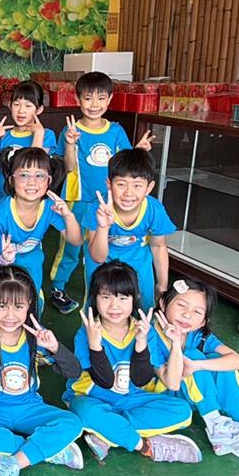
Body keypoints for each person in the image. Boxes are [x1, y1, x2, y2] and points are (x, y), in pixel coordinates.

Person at [0, 266, 85, 476]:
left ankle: (12, 463)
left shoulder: (36, 337)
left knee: (72, 423)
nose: (10, 315)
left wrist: (54, 347)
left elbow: (74, 371)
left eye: (18, 306)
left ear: (29, 304)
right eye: (2, 306)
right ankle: (47, 449)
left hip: (30, 407)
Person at [65, 261, 202, 464]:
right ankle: (146, 447)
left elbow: (141, 379)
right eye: (106, 297)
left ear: (135, 298)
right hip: (93, 398)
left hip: (131, 399)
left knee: (182, 411)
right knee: (84, 411)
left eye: (123, 298)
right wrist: (95, 344)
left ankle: (107, 433)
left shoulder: (145, 331)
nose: (114, 306)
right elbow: (104, 380)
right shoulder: (86, 333)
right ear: (95, 298)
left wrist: (141, 343)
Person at [153, 278, 239, 476]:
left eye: (197, 312)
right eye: (181, 305)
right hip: (162, 396)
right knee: (192, 355)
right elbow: (167, 381)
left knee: (220, 361)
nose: (187, 315)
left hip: (190, 393)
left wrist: (198, 365)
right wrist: (180, 350)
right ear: (163, 303)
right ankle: (216, 423)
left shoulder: (197, 335)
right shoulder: (151, 334)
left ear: (204, 321)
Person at [49, 72, 153, 314]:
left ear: (110, 100)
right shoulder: (70, 131)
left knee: (100, 247)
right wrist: (71, 143)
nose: (94, 104)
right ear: (77, 99)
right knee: (71, 247)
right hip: (78, 198)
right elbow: (69, 167)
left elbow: (125, 164)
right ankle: (57, 287)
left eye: (100, 98)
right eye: (88, 98)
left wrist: (138, 150)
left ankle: (103, 292)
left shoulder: (115, 130)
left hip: (109, 203)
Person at [0, 147, 82, 315]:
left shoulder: (49, 207)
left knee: (33, 303)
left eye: (39, 175)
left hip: (33, 261)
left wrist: (68, 215)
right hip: (6, 264)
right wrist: (3, 263)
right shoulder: (1, 215)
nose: (32, 182)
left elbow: (75, 240)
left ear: (49, 181)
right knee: (10, 303)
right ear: (11, 180)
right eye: (24, 175)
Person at [86, 148, 176, 310]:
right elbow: (98, 257)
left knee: (145, 307)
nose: (129, 193)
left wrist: (162, 285)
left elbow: (158, 246)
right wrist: (103, 226)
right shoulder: (97, 208)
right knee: (98, 305)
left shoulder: (154, 210)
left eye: (137, 185)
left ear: (149, 187)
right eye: (121, 184)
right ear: (109, 184)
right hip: (103, 258)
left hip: (138, 259)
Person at [0, 79, 55, 214]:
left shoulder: (46, 135)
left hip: (27, 203)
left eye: (28, 105)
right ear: (10, 106)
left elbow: (35, 166)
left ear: (39, 109)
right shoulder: (3, 135)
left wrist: (38, 134)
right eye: (16, 104)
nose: (21, 110)